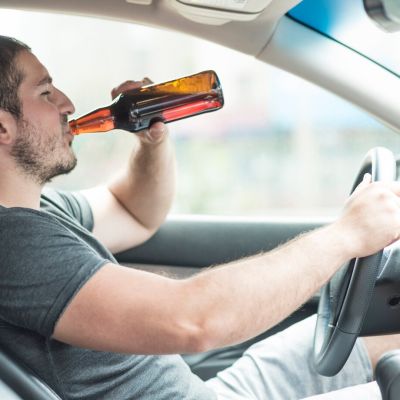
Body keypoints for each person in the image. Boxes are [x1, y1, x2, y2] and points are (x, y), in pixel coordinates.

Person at [0, 35, 398, 400]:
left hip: (208, 391)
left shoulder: (41, 210)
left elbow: (135, 213)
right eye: (46, 93)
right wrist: (346, 235)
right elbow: (193, 320)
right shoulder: (13, 243)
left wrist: (151, 143)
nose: (67, 105)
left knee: (386, 336)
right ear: (3, 126)